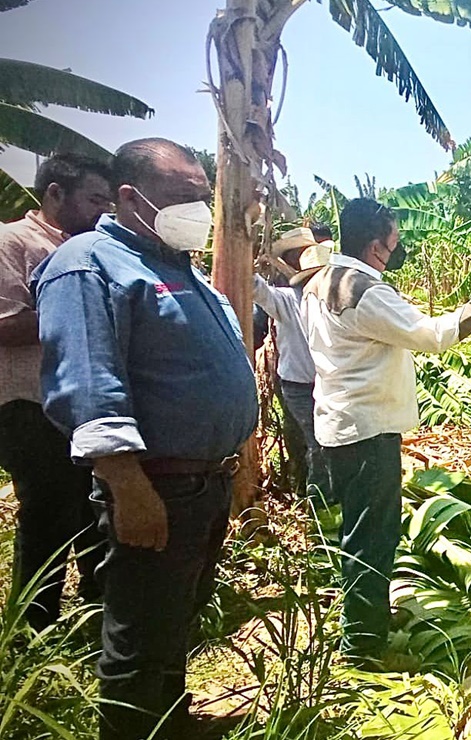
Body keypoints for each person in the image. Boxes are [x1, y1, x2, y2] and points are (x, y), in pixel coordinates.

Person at [32, 138, 258, 740]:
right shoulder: (89, 263)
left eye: (202, 199)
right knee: (138, 631)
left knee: (174, 618)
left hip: (203, 481)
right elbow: (86, 379)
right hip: (155, 483)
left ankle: (170, 721)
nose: (201, 213)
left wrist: (235, 460)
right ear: (131, 197)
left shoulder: (178, 267)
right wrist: (127, 484)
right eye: (185, 199)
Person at [300, 197, 471, 664]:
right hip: (367, 430)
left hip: (341, 422)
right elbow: (433, 337)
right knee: (371, 538)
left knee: (364, 532)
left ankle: (368, 619)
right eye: (394, 242)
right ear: (377, 246)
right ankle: (362, 648)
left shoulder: (319, 282)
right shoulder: (363, 290)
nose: (396, 250)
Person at [0, 152, 113, 630]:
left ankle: (94, 618)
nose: (101, 211)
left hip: (78, 405)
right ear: (54, 194)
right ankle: (32, 630)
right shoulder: (13, 242)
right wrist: (78, 310)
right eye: (94, 199)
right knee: (47, 515)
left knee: (92, 512)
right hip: (26, 404)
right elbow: (4, 325)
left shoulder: (96, 249)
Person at [254, 225, 332, 502]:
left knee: (315, 442)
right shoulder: (286, 299)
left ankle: (309, 492)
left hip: (328, 384)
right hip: (298, 385)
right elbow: (257, 290)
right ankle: (318, 503)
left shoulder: (329, 300)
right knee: (318, 443)